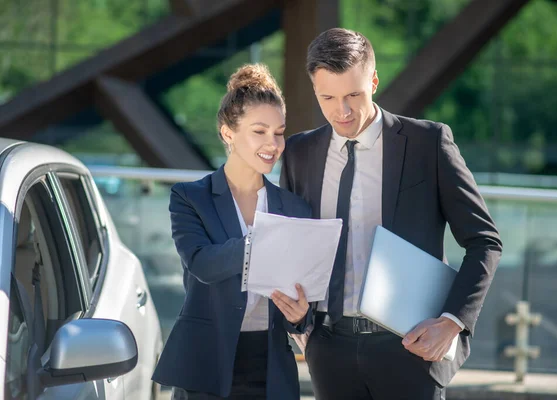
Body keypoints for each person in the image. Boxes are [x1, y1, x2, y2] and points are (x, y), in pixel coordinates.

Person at [280, 28, 503, 400]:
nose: (343, 111)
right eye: (328, 98)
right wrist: (301, 325)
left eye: (354, 94)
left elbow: (485, 242)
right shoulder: (299, 154)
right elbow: (291, 246)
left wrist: (451, 323)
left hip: (410, 348)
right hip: (327, 349)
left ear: (374, 80)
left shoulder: (427, 144)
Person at [152, 63, 312, 400]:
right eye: (260, 131)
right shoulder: (190, 197)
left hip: (271, 368)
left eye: (279, 132)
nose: (274, 143)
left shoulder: (295, 208)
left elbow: (302, 291)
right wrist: (265, 241)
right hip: (205, 366)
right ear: (228, 133)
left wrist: (300, 316)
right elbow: (203, 264)